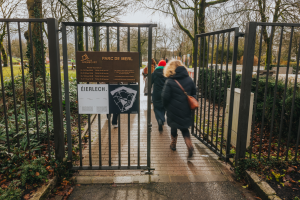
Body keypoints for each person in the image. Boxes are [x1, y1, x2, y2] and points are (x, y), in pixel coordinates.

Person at [162, 60, 196, 158]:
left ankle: (173, 144)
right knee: (184, 128)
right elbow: (194, 93)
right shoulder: (189, 79)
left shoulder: (170, 81)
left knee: (174, 126)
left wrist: (166, 106)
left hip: (173, 109)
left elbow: (165, 97)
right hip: (185, 109)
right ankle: (189, 145)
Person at [151, 60, 167, 132]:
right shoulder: (167, 73)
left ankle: (159, 120)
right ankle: (162, 119)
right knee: (163, 106)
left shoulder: (154, 73)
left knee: (156, 107)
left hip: (156, 93)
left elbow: (149, 83)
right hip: (165, 93)